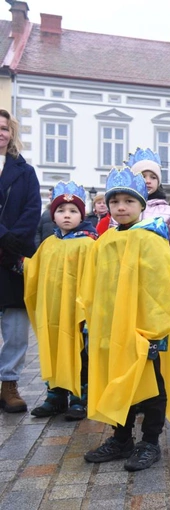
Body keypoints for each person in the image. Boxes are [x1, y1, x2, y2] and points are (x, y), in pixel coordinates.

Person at [81, 168, 170, 471]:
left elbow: (163, 286)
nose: (121, 207)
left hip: (147, 329)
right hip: (114, 328)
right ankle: (121, 438)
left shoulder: (151, 241)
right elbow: (95, 285)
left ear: (142, 205)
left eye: (128, 201)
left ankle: (149, 441)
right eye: (115, 202)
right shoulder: (104, 241)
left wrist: (155, 332)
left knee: (152, 386)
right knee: (118, 381)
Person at [25, 181, 97, 420]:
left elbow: (95, 278)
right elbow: (34, 270)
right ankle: (55, 396)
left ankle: (80, 398)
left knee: (80, 353)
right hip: (54, 312)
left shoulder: (88, 244)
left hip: (78, 313)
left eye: (73, 211)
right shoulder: (49, 244)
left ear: (82, 214)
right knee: (54, 349)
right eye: (61, 211)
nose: (67, 215)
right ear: (52, 215)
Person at [0, 109, 41, 413]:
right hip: (5, 242)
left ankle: (9, 383)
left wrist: (12, 239)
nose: (0, 133)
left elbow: (32, 207)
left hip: (12, 257)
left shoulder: (24, 171)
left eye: (4, 128)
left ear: (11, 133)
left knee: (16, 325)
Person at [126, 148, 170, 270]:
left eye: (153, 177)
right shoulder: (122, 210)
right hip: (128, 270)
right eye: (143, 176)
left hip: (159, 272)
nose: (148, 181)